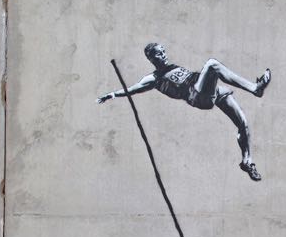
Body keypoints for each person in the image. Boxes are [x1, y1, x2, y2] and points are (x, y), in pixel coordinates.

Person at [97, 43, 271, 181]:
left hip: (209, 90)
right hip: (196, 95)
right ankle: (255, 89)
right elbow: (132, 89)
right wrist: (113, 94)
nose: (163, 55)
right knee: (212, 65)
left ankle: (247, 161)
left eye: (163, 51)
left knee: (242, 123)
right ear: (150, 58)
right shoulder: (154, 78)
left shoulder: (172, 67)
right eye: (158, 53)